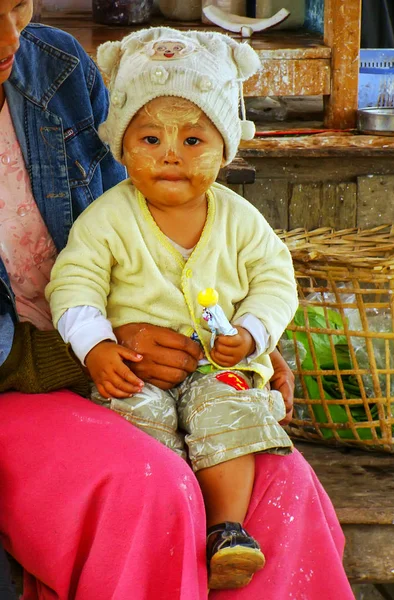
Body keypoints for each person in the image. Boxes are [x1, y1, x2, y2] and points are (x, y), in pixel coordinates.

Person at [0, 2, 355, 598]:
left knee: (279, 479)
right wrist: (96, 349)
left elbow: (150, 225)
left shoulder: (55, 68)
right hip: (27, 380)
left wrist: (249, 342)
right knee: (153, 484)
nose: (9, 35)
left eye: (16, 4)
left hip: (140, 363)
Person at [46, 27, 299, 590]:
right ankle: (170, 523)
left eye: (193, 141)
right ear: (122, 146)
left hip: (217, 365)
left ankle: (227, 531)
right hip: (137, 369)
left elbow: (276, 280)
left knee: (226, 413)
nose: (170, 156)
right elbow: (73, 282)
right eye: (151, 139)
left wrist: (255, 335)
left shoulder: (238, 220)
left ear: (225, 146)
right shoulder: (108, 220)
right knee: (140, 422)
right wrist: (96, 346)